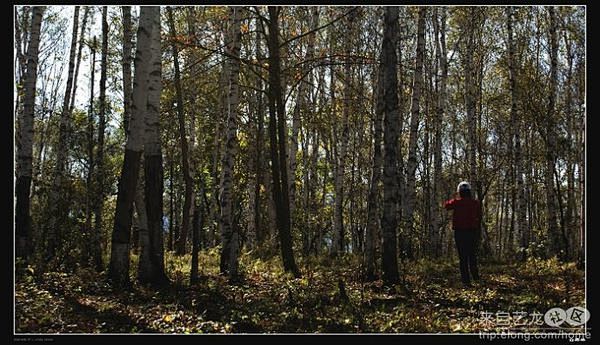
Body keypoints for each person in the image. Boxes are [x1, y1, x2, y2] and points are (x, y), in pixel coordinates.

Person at [444, 181, 481, 288]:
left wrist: (455, 197)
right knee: (472, 255)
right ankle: (476, 278)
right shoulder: (475, 203)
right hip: (472, 232)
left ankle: (466, 281)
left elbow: (446, 205)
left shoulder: (456, 202)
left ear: (460, 191)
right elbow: (479, 216)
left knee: (463, 257)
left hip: (460, 233)